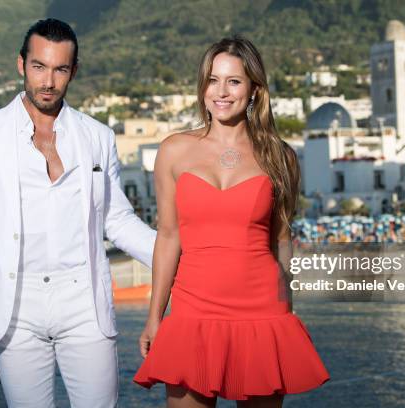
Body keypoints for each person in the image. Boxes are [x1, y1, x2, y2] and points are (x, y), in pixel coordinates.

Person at [0, 18, 156, 407]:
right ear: (21, 65)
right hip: (15, 309)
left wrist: (180, 255)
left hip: (85, 305)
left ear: (73, 71)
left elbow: (117, 219)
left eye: (60, 69)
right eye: (39, 67)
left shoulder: (98, 137)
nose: (48, 81)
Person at [133, 37, 329, 407]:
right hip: (193, 313)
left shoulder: (279, 155)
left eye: (234, 81)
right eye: (212, 80)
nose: (221, 92)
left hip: (262, 313)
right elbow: (169, 236)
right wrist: (155, 316)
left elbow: (282, 240)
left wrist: (286, 311)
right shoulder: (174, 150)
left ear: (254, 88)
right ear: (202, 87)